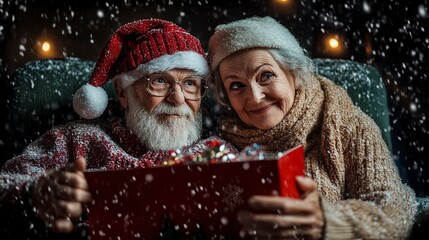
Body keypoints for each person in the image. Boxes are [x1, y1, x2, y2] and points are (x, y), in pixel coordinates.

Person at [0, 19, 233, 239]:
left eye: (190, 83)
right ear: (123, 92)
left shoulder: (217, 153)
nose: (178, 98)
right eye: (160, 81)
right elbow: (6, 182)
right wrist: (34, 195)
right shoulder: (76, 140)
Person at [208, 16, 416, 239]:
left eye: (266, 76)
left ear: (294, 74)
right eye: (237, 85)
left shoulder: (346, 123)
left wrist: (332, 221)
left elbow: (394, 205)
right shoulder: (219, 143)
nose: (256, 97)